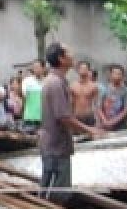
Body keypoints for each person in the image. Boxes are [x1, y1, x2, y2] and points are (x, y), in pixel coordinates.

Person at [40, 42, 105, 194]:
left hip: (54, 145)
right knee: (58, 193)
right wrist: (90, 130)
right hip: (56, 147)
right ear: (61, 59)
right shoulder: (55, 83)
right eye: (69, 52)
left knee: (49, 190)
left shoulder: (56, 81)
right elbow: (64, 117)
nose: (73, 55)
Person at [96, 64, 127, 131]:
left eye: (119, 74)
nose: (117, 76)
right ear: (110, 75)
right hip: (104, 125)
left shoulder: (126, 91)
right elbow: (99, 107)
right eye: (115, 73)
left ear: (122, 76)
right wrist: (105, 121)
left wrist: (112, 122)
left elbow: (126, 111)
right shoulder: (103, 89)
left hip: (121, 126)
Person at [70, 61, 99, 127]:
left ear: (88, 70)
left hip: (89, 116)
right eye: (81, 68)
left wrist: (97, 119)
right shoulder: (72, 86)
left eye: (85, 68)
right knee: (76, 136)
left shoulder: (93, 86)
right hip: (76, 116)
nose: (83, 70)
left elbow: (96, 104)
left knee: (90, 136)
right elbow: (71, 103)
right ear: (77, 70)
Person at [22, 60, 46, 127]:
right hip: (30, 116)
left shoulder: (48, 81)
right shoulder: (27, 81)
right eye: (34, 67)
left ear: (43, 68)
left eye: (38, 67)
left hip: (45, 117)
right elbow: (24, 96)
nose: (36, 69)